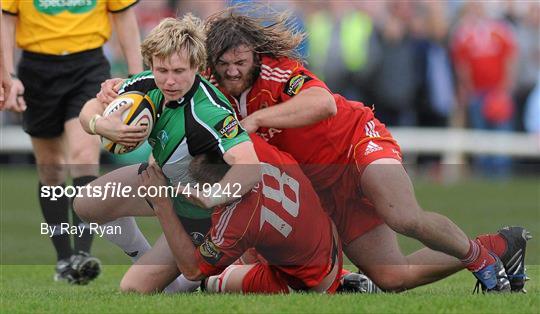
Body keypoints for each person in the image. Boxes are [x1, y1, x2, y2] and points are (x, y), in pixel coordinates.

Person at [98, 9, 530, 293]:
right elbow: (164, 84)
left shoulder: (277, 69)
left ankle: (481, 264)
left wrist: (258, 120)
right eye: (224, 65)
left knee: (402, 215)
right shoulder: (206, 86)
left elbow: (322, 104)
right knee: (391, 276)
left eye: (241, 63)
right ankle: (499, 244)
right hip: (315, 185)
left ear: (255, 55)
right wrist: (117, 94)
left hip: (355, 144)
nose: (233, 72)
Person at [74, 15, 260, 294]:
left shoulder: (208, 112)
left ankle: (200, 277)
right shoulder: (148, 83)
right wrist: (101, 125)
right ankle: (144, 258)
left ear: (196, 67)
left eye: (178, 71)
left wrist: (213, 196)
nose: (169, 81)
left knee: (134, 290)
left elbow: (250, 167)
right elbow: (89, 107)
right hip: (162, 182)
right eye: (162, 70)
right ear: (152, 65)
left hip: (200, 212)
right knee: (86, 203)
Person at [1, 0, 143, 284]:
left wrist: (136, 77)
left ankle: (82, 255)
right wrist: (8, 75)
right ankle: (63, 258)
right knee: (51, 167)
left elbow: (124, 18)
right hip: (36, 68)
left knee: (83, 154)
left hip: (88, 66)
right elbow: (5, 20)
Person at [139, 134, 344, 294]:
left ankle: (340, 284)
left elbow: (193, 271)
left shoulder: (237, 218)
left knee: (210, 282)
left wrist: (162, 205)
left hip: (307, 280)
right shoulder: (251, 145)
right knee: (255, 241)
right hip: (329, 240)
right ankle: (347, 278)